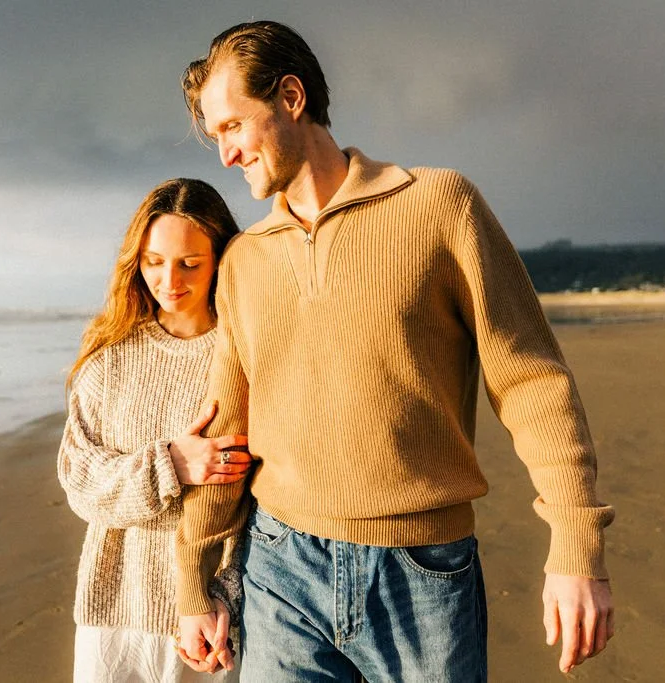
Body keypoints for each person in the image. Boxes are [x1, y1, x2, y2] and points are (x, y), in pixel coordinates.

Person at [173, 21, 615, 682]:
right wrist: (192, 582)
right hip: (280, 568)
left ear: (290, 97)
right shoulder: (243, 263)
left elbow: (530, 382)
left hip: (423, 574)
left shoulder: (440, 205)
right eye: (215, 138)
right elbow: (226, 435)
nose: (226, 156)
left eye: (234, 127)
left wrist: (576, 543)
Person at [58, 178, 248, 682]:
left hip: (211, 617)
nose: (169, 279)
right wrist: (171, 464)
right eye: (154, 261)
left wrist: (224, 593)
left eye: (190, 263)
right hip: (114, 611)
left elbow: (265, 501)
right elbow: (80, 483)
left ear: (220, 260)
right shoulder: (111, 357)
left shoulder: (245, 357)